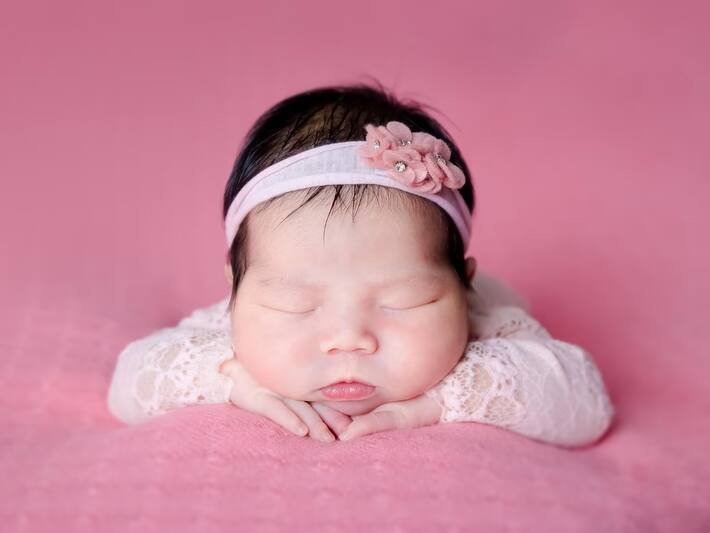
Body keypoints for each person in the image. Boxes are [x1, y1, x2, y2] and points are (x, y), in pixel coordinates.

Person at [107, 82, 614, 447]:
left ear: (464, 288)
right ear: (235, 292)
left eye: (405, 300)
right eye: (295, 304)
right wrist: (236, 381)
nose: (349, 339)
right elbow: (127, 385)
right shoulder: (230, 334)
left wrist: (439, 399)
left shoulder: (486, 326)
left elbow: (587, 405)